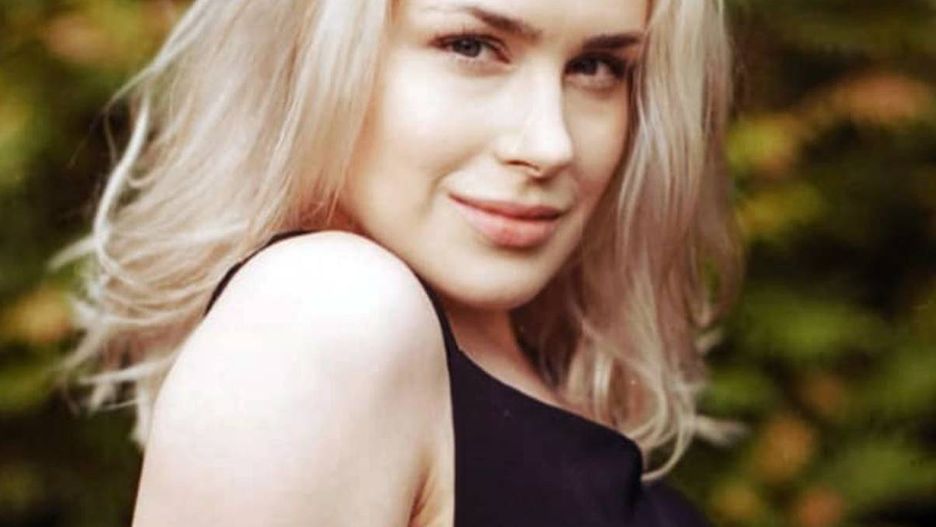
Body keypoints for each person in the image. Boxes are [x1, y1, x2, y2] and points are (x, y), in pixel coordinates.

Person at [55, 0, 742, 525]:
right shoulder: (328, 311)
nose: (549, 143)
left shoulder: (515, 359)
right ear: (314, 49)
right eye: (471, 46)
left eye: (597, 67)